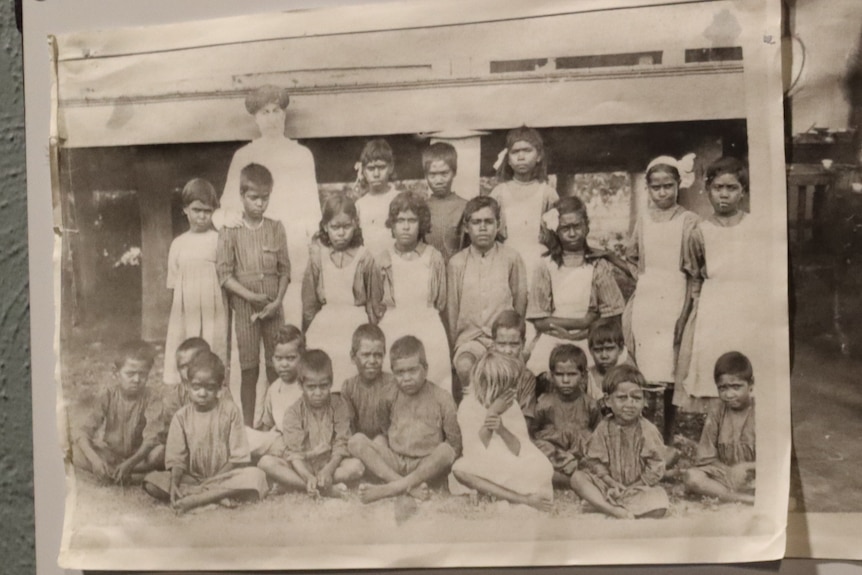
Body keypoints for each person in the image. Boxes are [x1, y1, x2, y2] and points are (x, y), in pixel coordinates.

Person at [215, 85, 320, 328]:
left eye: (276, 111)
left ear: (284, 115)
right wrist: (229, 222)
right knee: (255, 307)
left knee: (289, 308)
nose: (271, 118)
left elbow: (312, 210)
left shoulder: (302, 154)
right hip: (253, 243)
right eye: (265, 112)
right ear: (255, 118)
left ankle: (288, 362)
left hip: (291, 241)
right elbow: (227, 205)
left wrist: (311, 242)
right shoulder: (244, 155)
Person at [624, 155, 700, 441]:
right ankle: (643, 429)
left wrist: (686, 309)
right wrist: (642, 277)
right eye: (656, 187)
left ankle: (667, 432)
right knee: (645, 362)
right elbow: (632, 255)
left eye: (668, 186)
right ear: (648, 188)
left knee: (670, 363)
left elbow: (694, 269)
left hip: (675, 294)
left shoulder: (689, 221)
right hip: (648, 296)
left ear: (679, 185)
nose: (662, 192)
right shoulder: (643, 220)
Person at [678, 157, 761, 409]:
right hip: (714, 309)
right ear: (707, 190)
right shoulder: (700, 232)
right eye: (718, 188)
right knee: (716, 369)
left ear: (743, 192)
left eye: (732, 188)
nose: (724, 195)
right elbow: (695, 277)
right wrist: (692, 314)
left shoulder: (755, 226)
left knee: (748, 366)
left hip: (748, 306)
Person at [143, 352, 268, 514]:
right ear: (188, 386)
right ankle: (216, 496)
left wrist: (213, 480)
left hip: (226, 475)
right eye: (196, 387)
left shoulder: (230, 411)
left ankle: (197, 500)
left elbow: (238, 457)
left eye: (209, 388)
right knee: (151, 481)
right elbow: (176, 459)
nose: (202, 393)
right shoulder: (181, 417)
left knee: (256, 476)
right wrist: (174, 483)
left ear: (219, 387)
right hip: (193, 478)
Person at [217, 163, 291, 426]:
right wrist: (250, 297)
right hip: (246, 311)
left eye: (265, 198)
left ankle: (277, 423)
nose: (260, 204)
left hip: (274, 309)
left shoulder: (276, 227)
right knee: (249, 369)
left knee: (277, 368)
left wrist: (277, 302)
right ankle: (248, 427)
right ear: (242, 195)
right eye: (253, 198)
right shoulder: (230, 231)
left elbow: (285, 271)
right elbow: (224, 275)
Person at [348, 336, 461, 503]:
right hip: (397, 462)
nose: (406, 378)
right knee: (355, 441)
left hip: (425, 466)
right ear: (393, 371)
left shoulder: (442, 398)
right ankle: (403, 484)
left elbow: (455, 444)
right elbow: (385, 427)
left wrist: (435, 463)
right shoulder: (388, 395)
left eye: (412, 370)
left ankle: (391, 488)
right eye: (400, 372)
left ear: (426, 369)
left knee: (446, 451)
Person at [526, 196, 626, 376]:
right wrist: (581, 322)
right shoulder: (545, 265)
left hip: (592, 338)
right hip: (553, 338)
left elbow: (612, 317)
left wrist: (577, 335)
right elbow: (540, 319)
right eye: (565, 228)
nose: (572, 234)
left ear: (586, 226)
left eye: (577, 227)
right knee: (542, 374)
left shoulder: (597, 265)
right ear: (556, 229)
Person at [450, 351, 554, 511]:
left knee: (544, 468)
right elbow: (474, 452)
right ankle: (524, 499)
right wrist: (492, 413)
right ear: (487, 385)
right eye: (506, 387)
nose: (511, 392)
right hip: (483, 462)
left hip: (509, 459)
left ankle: (494, 492)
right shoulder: (468, 406)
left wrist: (501, 429)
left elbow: (519, 448)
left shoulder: (510, 404)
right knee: (459, 470)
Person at [448, 195, 528, 400]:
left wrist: (514, 336)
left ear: (498, 225)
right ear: (467, 227)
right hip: (470, 338)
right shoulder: (457, 263)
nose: (482, 228)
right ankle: (471, 411)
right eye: (476, 222)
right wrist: (454, 343)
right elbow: (452, 309)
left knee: (504, 375)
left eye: (488, 222)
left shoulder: (511, 257)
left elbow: (520, 300)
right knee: (465, 365)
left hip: (503, 339)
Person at [257, 350, 365, 497]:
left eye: (323, 386)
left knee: (356, 467)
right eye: (311, 387)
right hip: (302, 465)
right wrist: (307, 476)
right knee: (266, 462)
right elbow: (294, 454)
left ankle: (295, 485)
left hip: (331, 463)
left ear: (331, 383)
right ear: (301, 386)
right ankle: (319, 487)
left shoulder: (339, 405)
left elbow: (341, 444)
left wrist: (328, 470)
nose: (318, 393)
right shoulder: (293, 412)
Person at [373, 191, 451, 391]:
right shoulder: (383, 259)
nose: (406, 227)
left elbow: (441, 301)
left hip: (428, 326)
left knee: (433, 380)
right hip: (393, 326)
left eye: (412, 220)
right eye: (400, 221)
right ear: (392, 225)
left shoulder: (433, 257)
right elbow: (376, 302)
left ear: (421, 223)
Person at [571, 365, 669, 519]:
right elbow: (594, 461)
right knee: (577, 478)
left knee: (660, 503)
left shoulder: (648, 430)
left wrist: (632, 487)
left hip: (638, 487)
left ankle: (600, 504)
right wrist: (610, 482)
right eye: (622, 398)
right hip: (607, 485)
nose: (630, 404)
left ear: (645, 401)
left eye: (636, 398)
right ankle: (613, 510)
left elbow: (656, 465)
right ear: (608, 401)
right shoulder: (603, 427)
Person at [302, 194, 377, 392]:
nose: (341, 233)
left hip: (355, 324)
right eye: (335, 227)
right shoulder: (318, 256)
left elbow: (372, 302)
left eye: (347, 227)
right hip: (326, 325)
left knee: (353, 382)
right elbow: (309, 302)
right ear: (325, 226)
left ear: (356, 224)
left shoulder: (365, 257)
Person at [163, 178, 228, 385]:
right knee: (185, 343)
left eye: (207, 211)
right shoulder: (178, 244)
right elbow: (173, 282)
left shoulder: (218, 240)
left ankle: (212, 384)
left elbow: (225, 275)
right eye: (196, 210)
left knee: (212, 342)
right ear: (185, 210)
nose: (201, 216)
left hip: (212, 307)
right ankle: (185, 388)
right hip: (186, 307)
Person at [72, 341, 164, 484]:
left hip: (140, 457)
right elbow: (83, 430)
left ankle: (122, 472)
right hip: (111, 454)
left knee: (159, 453)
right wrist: (95, 460)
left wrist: (131, 463)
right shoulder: (107, 395)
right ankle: (120, 473)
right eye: (130, 374)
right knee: (76, 451)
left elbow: (151, 439)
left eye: (143, 374)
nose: (137, 379)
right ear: (116, 373)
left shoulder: (153, 398)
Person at [489, 126, 559, 287]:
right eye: (515, 152)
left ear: (539, 155)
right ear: (508, 158)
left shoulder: (548, 193)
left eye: (527, 150)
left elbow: (556, 236)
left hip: (540, 261)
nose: (521, 156)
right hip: (505, 261)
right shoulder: (499, 193)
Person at [684, 351, 755, 504]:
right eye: (723, 388)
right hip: (725, 475)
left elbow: (775, 459)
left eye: (736, 387)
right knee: (692, 477)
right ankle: (743, 499)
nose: (729, 394)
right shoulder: (717, 412)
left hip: (756, 474)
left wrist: (747, 467)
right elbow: (705, 458)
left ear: (751, 385)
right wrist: (729, 472)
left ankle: (728, 495)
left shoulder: (761, 412)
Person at [532, 345, 601, 489]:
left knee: (593, 444)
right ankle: (567, 474)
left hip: (580, 455)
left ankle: (576, 474)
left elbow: (598, 433)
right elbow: (533, 433)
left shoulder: (590, 404)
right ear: (551, 376)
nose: (565, 380)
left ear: (583, 376)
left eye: (572, 374)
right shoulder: (545, 403)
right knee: (540, 446)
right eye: (559, 375)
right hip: (555, 455)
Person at [246, 325, 305, 459]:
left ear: (302, 357)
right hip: (278, 442)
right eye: (279, 358)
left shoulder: (306, 386)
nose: (284, 364)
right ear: (272, 359)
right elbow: (267, 424)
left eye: (291, 358)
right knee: (244, 434)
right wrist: (262, 439)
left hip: (300, 443)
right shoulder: (274, 388)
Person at [341, 324, 398, 440]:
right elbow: (348, 426)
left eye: (378, 355)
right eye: (366, 355)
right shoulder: (349, 387)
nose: (372, 361)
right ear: (353, 356)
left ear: (384, 355)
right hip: (359, 444)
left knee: (379, 441)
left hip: (389, 443)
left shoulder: (393, 383)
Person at [490, 310, 538, 431]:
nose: (507, 351)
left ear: (523, 343)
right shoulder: (485, 374)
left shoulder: (526, 378)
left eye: (514, 344)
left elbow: (526, 423)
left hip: (514, 436)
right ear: (493, 343)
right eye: (501, 344)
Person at [422, 142, 467, 263]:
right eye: (432, 175)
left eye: (444, 173)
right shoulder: (421, 208)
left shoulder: (465, 207)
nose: (439, 181)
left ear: (454, 172)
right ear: (425, 175)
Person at [354, 138, 400, 253]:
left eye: (381, 167)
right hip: (369, 264)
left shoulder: (400, 199)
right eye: (370, 168)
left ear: (391, 167)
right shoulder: (360, 205)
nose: (376, 174)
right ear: (363, 171)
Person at [586, 318, 634, 404]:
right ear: (590, 350)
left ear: (620, 349)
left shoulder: (627, 376)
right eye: (598, 350)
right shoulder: (587, 378)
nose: (604, 356)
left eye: (609, 349)